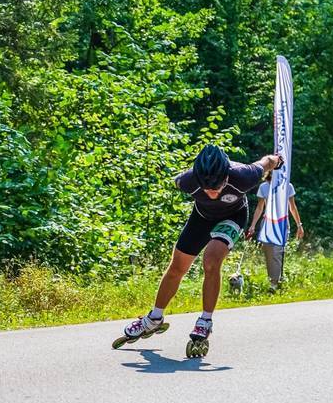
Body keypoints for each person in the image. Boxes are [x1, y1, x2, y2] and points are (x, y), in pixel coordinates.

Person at [117, 145, 283, 357]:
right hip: (201, 218)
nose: (213, 193)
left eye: (218, 187)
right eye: (207, 189)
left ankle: (205, 321)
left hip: (233, 217)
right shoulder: (186, 181)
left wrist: (278, 160)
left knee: (211, 260)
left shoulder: (244, 175)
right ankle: (154, 318)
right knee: (177, 267)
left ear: (226, 177)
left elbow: (267, 161)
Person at [246, 170, 304, 291]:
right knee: (268, 252)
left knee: (277, 251)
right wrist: (252, 225)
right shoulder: (264, 187)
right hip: (267, 223)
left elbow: (292, 207)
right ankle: (274, 279)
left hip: (282, 223)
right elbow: (260, 207)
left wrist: (299, 225)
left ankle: (274, 283)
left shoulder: (288, 186)